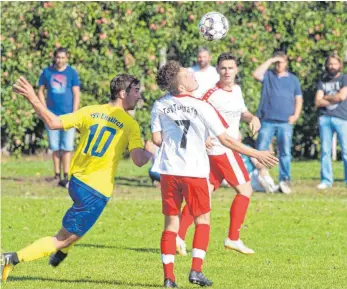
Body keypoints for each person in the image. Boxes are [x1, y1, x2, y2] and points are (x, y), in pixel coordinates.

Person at [2, 74, 153, 282]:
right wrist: (150, 150)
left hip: (76, 183)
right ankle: (11, 258)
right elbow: (138, 160)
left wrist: (32, 98)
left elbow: (53, 122)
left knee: (79, 226)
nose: (139, 96)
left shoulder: (90, 111)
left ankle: (62, 253)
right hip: (96, 191)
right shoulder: (130, 124)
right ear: (122, 93)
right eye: (136, 91)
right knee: (63, 239)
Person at [152, 60, 278, 288]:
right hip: (195, 171)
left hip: (169, 172)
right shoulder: (201, 105)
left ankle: (169, 278)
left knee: (171, 224)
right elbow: (227, 140)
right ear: (180, 86)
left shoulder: (160, 104)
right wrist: (256, 153)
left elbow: (157, 139)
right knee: (203, 220)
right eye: (186, 74)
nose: (192, 74)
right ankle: (196, 271)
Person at [177, 53, 262, 257]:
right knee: (245, 190)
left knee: (201, 194)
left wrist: (252, 118)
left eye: (230, 68)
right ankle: (233, 238)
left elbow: (242, 112)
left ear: (236, 70)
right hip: (223, 149)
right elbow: (193, 114)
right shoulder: (211, 94)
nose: (227, 72)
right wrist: (202, 136)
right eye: (223, 68)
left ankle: (178, 237)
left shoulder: (237, 90)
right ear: (217, 70)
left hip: (227, 148)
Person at [253, 51, 303, 194]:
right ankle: (261, 178)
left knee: (285, 152)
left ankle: (285, 180)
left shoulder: (293, 80)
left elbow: (298, 99)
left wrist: (296, 115)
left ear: (286, 63)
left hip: (285, 122)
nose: (278, 65)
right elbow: (256, 74)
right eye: (276, 62)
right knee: (261, 150)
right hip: (267, 120)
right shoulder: (268, 76)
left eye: (281, 62)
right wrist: (270, 59)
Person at [38, 47, 81, 187]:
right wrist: (43, 109)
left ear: (67, 58)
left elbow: (76, 93)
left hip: (68, 114)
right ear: (54, 57)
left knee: (67, 146)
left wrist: (75, 113)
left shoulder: (71, 73)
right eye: (58, 57)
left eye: (63, 57)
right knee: (55, 146)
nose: (60, 60)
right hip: (52, 114)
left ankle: (67, 175)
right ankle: (57, 174)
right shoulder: (47, 72)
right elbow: (40, 91)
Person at [314, 54, 347, 189]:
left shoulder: (344, 79)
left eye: (334, 64)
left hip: (342, 118)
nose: (332, 66)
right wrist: (333, 97)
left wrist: (326, 98)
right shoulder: (322, 81)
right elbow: (317, 101)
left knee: (346, 150)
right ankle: (326, 180)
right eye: (330, 64)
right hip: (324, 118)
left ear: (340, 65)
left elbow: (342, 97)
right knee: (325, 151)